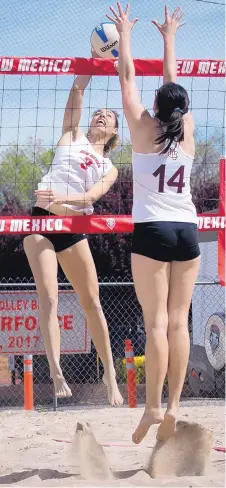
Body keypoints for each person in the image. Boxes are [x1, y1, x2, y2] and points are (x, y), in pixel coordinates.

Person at [107, 2, 200, 439]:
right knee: (179, 321)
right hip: (187, 230)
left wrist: (125, 33)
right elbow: (173, 89)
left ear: (158, 107)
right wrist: (170, 39)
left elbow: (128, 78)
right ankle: (176, 405)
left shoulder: (143, 128)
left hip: (152, 229)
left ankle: (152, 407)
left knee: (157, 323)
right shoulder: (190, 130)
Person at [23, 50, 123, 406]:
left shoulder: (108, 165)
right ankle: (56, 371)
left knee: (91, 302)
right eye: (100, 111)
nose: (102, 115)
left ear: (113, 133)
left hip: (73, 225)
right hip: (41, 219)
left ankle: (110, 373)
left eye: (109, 116)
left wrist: (66, 195)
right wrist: (95, 60)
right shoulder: (71, 136)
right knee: (48, 296)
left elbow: (91, 196)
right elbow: (78, 89)